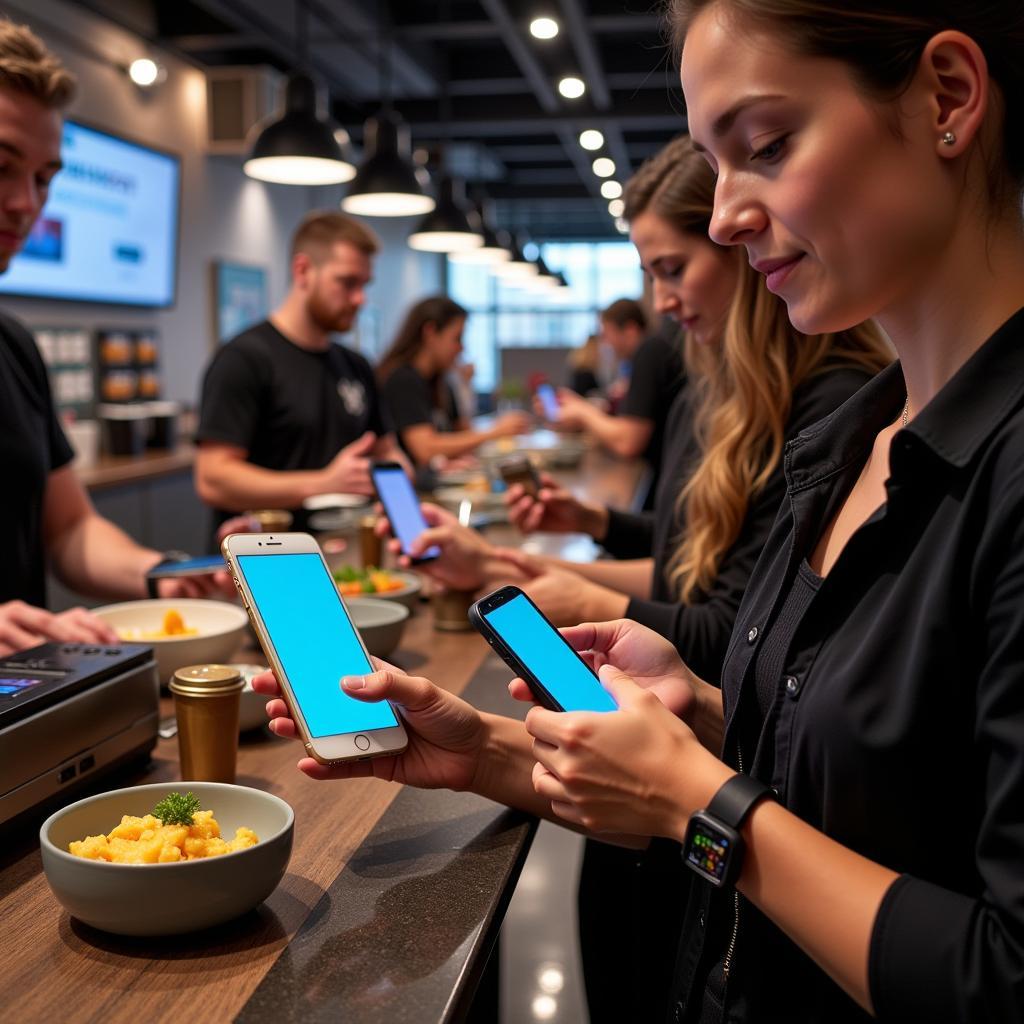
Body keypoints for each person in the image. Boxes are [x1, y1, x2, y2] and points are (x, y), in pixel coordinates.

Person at [256, 2, 1024, 1019]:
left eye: (767, 145)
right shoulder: (855, 443)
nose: (724, 215)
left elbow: (1000, 976)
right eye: (718, 161)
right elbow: (824, 791)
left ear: (948, 97)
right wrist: (489, 750)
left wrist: (695, 798)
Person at [372, 135, 890, 1021]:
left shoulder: (849, 409)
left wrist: (689, 782)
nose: (661, 297)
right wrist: (540, 569)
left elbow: (750, 643)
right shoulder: (725, 389)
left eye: (673, 267)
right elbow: (754, 658)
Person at [0, 20, 235, 657]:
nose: (26, 204)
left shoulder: (14, 346)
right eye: (2, 167)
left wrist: (164, 572)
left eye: (46, 178)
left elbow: (71, 530)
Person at [194, 211, 408, 536]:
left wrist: (396, 481)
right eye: (347, 282)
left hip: (349, 554)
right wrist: (324, 483)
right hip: (269, 564)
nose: (360, 299)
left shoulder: (356, 364)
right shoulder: (244, 358)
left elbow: (387, 450)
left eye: (365, 285)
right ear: (303, 270)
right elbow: (213, 479)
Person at [553, 298, 684, 509]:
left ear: (630, 330)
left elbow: (628, 442)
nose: (606, 343)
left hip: (665, 491)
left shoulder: (649, 352)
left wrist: (583, 413)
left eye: (607, 334)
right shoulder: (647, 356)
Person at [377, 296, 529, 466]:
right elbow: (424, 449)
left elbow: (464, 432)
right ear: (430, 332)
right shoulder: (403, 380)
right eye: (457, 338)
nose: (461, 348)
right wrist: (495, 432)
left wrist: (466, 385)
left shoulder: (441, 383)